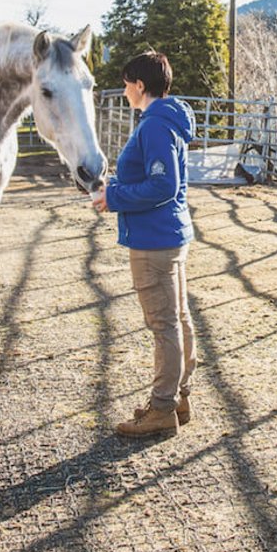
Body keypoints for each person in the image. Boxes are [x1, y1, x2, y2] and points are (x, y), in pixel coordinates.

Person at [91, 50, 197, 437]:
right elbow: (161, 181)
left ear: (139, 85)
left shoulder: (153, 125)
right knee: (178, 319)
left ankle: (162, 409)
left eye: (125, 84)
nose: (123, 92)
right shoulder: (167, 121)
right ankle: (178, 397)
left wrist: (113, 198)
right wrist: (114, 189)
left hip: (154, 240)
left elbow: (161, 185)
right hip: (169, 233)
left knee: (163, 324)